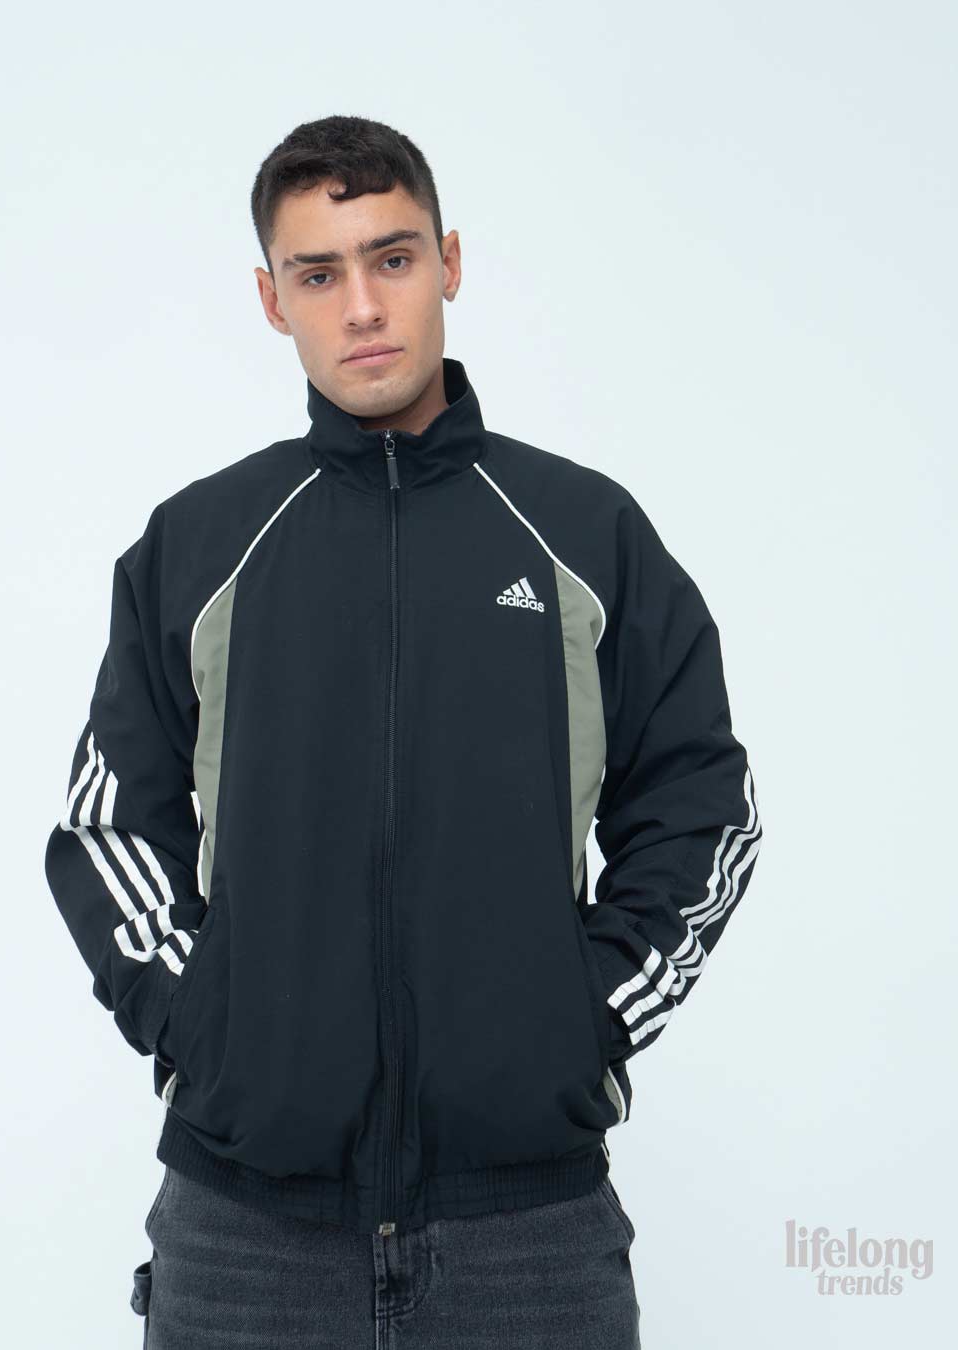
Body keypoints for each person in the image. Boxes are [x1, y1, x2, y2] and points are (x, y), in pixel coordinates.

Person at [44, 113, 762, 1349]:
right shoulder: (202, 546)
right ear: (272, 301)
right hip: (246, 1235)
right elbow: (110, 825)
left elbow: (702, 805)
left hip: (529, 1238)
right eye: (319, 274)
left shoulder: (584, 534)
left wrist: (584, 1015)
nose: (364, 306)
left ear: (450, 264)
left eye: (393, 258)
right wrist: (201, 1025)